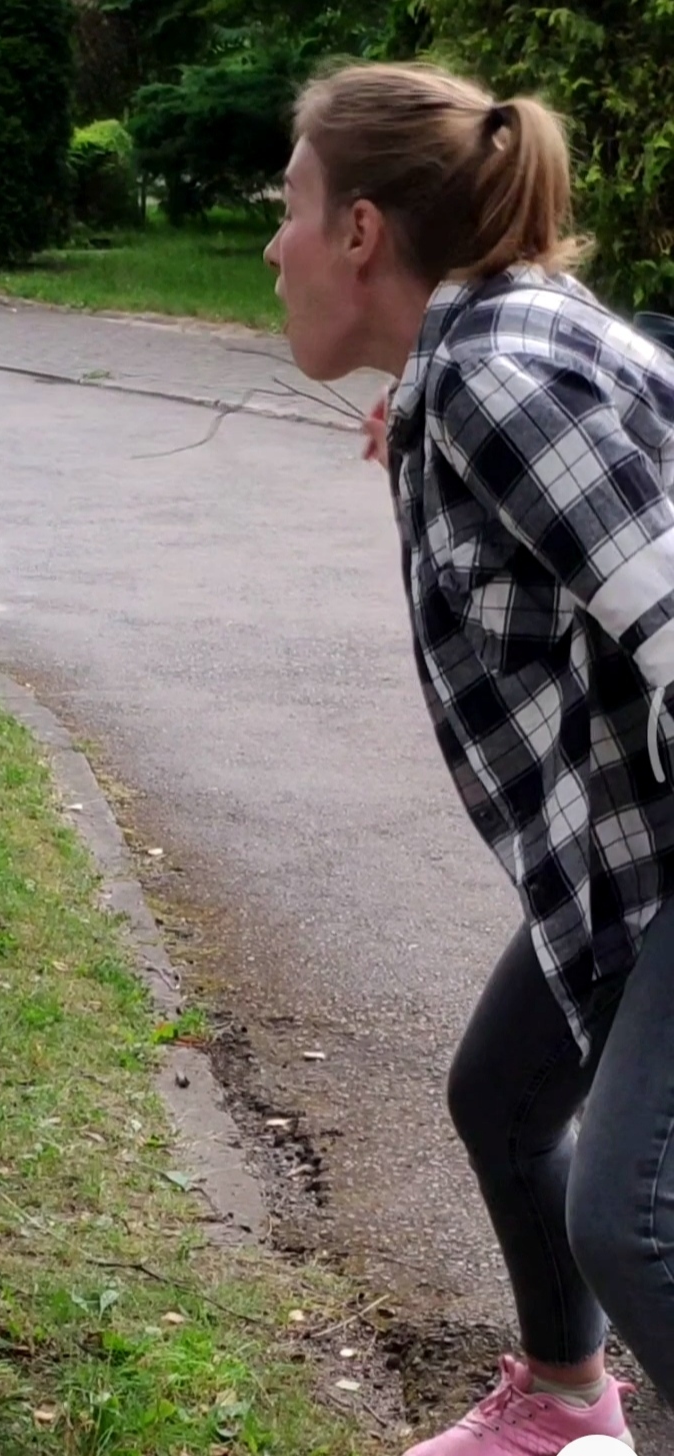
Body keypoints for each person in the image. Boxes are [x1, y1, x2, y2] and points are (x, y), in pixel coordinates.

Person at [264, 58, 674, 1455]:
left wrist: (463, 418)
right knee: (505, 1099)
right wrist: (437, 434)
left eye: (290, 208)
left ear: (360, 231)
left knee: (634, 1218)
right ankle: (564, 1408)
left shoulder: (496, 381)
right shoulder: (486, 359)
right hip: (616, 854)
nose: (273, 247)